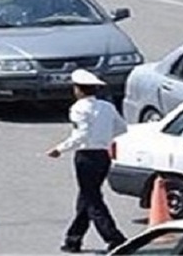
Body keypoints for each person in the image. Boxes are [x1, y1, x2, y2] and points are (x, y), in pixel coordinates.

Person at [46, 69, 127, 253]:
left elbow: (80, 135)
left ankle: (115, 238)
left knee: (93, 200)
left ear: (79, 90)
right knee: (87, 197)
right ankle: (73, 240)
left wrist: (59, 149)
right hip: (103, 156)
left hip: (86, 158)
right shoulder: (107, 107)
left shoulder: (78, 109)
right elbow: (121, 128)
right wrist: (103, 137)